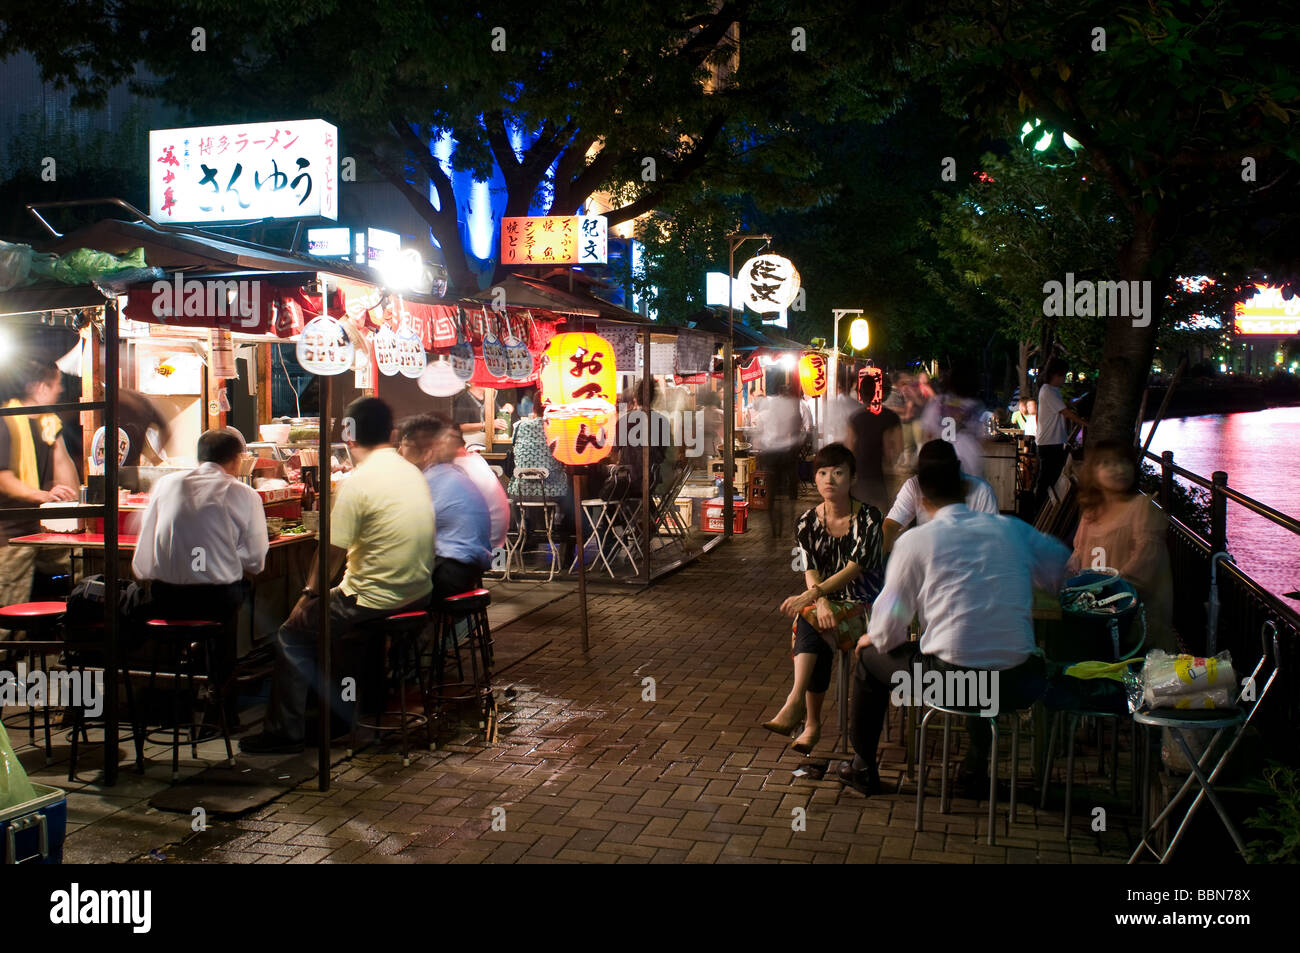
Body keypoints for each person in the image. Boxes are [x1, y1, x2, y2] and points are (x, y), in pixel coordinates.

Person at [838, 441, 1069, 797]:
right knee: (979, 664)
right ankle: (975, 770)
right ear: (965, 486)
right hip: (1018, 685)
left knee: (870, 659)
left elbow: (887, 630)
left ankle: (863, 768)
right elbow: (1061, 569)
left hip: (952, 685)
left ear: (921, 498)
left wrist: (875, 639)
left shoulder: (915, 542)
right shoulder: (1013, 530)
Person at [240, 397, 434, 754]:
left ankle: (286, 732)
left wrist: (308, 596)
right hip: (418, 591)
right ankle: (340, 713)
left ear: (349, 436)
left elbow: (331, 551)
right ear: (391, 434)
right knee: (335, 632)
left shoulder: (356, 483)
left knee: (291, 633)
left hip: (375, 599)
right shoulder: (412, 472)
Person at [764, 443, 884, 755]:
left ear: (852, 478)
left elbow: (854, 570)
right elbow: (810, 569)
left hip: (864, 604)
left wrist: (815, 596)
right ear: (815, 479)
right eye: (822, 472)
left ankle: (803, 712)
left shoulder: (869, 518)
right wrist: (819, 600)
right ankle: (803, 714)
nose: (829, 478)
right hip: (825, 605)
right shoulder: (806, 522)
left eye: (838, 472)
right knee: (816, 622)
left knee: (812, 621)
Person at [132, 429, 267, 689]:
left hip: (165, 600)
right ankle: (220, 700)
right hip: (214, 602)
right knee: (234, 596)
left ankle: (179, 688)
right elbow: (255, 562)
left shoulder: (166, 484)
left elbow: (143, 560)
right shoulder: (244, 494)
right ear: (237, 460)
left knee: (220, 592)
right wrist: (223, 555)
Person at [1066, 440, 1176, 653]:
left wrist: (1106, 592)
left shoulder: (1142, 508)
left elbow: (1145, 564)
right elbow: (1078, 553)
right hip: (1097, 615)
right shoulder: (1092, 511)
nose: (1118, 469)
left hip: (1133, 620)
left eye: (1123, 462)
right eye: (1107, 463)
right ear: (1093, 472)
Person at [0, 359, 79, 632]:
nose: (60, 391)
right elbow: (3, 480)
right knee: (9, 610)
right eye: (57, 384)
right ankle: (7, 663)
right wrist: (44, 495)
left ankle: (78, 638)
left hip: (41, 529)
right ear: (39, 387)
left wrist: (57, 439)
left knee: (82, 561)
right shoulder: (5, 422)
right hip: (9, 534)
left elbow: (68, 480)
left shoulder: (48, 424)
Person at [398, 415, 493, 599]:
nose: (400, 452)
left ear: (426, 452)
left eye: (405, 445)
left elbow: (407, 529)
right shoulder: (451, 473)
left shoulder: (429, 480)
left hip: (452, 570)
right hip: (471, 567)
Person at [882, 440, 1000, 553]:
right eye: (931, 475)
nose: (938, 480)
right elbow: (890, 526)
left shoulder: (982, 491)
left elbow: (990, 538)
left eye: (943, 474)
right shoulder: (914, 485)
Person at [1034, 358, 1088, 514]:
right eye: (1063, 376)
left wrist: (1075, 404)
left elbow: (1065, 407)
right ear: (1055, 375)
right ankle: (1039, 511)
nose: (1064, 380)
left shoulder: (1052, 391)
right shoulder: (1047, 390)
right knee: (1047, 480)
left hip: (1054, 442)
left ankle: (1043, 510)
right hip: (1050, 442)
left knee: (1050, 478)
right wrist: (1085, 424)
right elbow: (1065, 412)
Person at [845, 373, 902, 513]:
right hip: (883, 474)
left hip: (861, 474)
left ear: (860, 393)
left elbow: (849, 448)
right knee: (881, 515)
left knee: (859, 516)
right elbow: (899, 447)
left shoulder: (855, 418)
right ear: (879, 392)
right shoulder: (891, 417)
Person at [920, 363, 987, 479]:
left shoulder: (937, 403)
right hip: (970, 464)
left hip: (940, 463)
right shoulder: (977, 407)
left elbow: (926, 435)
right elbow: (983, 440)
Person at [755, 380, 803, 538]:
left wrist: (761, 440)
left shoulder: (769, 404)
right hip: (786, 451)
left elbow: (760, 429)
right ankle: (789, 504)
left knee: (771, 485)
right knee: (789, 478)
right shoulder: (794, 405)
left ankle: (771, 511)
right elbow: (798, 427)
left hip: (770, 450)